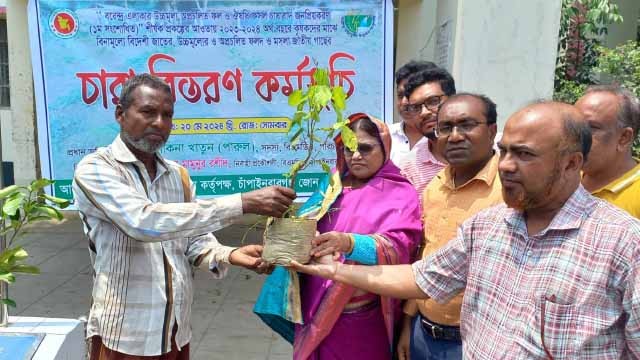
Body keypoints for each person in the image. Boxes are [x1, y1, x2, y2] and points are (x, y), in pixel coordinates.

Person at [292, 101, 640, 358]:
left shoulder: (623, 243)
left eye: (523, 154)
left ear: (571, 163)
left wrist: (352, 245)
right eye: (504, 152)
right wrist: (332, 270)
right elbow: (420, 277)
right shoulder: (488, 226)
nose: (505, 165)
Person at [73, 74, 296, 359]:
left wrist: (231, 254)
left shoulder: (177, 175)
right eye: (148, 112)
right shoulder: (96, 169)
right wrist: (243, 203)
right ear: (120, 113)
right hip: (125, 334)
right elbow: (144, 223)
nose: (159, 123)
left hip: (176, 332)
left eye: (167, 115)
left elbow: (191, 240)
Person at [255, 113, 423, 359]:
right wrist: (278, 249)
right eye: (348, 149)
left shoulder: (400, 192)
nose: (356, 156)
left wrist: (349, 243)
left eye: (365, 148)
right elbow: (304, 228)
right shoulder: (332, 186)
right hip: (315, 306)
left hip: (363, 319)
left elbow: (399, 247)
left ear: (385, 148)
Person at [397, 93, 503, 360]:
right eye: (445, 128)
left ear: (491, 131)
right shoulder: (435, 186)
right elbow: (427, 256)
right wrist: (408, 324)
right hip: (424, 334)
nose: (454, 136)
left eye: (466, 125)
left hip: (476, 342)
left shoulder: (510, 189)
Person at [576, 85, 640, 218]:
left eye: (591, 127)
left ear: (624, 138)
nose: (575, 136)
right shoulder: (565, 177)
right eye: (574, 125)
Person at [398, 68, 455, 197]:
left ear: (454, 99)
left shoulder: (494, 148)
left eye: (433, 101)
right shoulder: (409, 168)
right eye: (415, 107)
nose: (424, 112)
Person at [390, 60, 437, 164]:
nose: (404, 102)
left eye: (409, 95)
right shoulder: (384, 136)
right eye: (400, 95)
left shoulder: (443, 138)